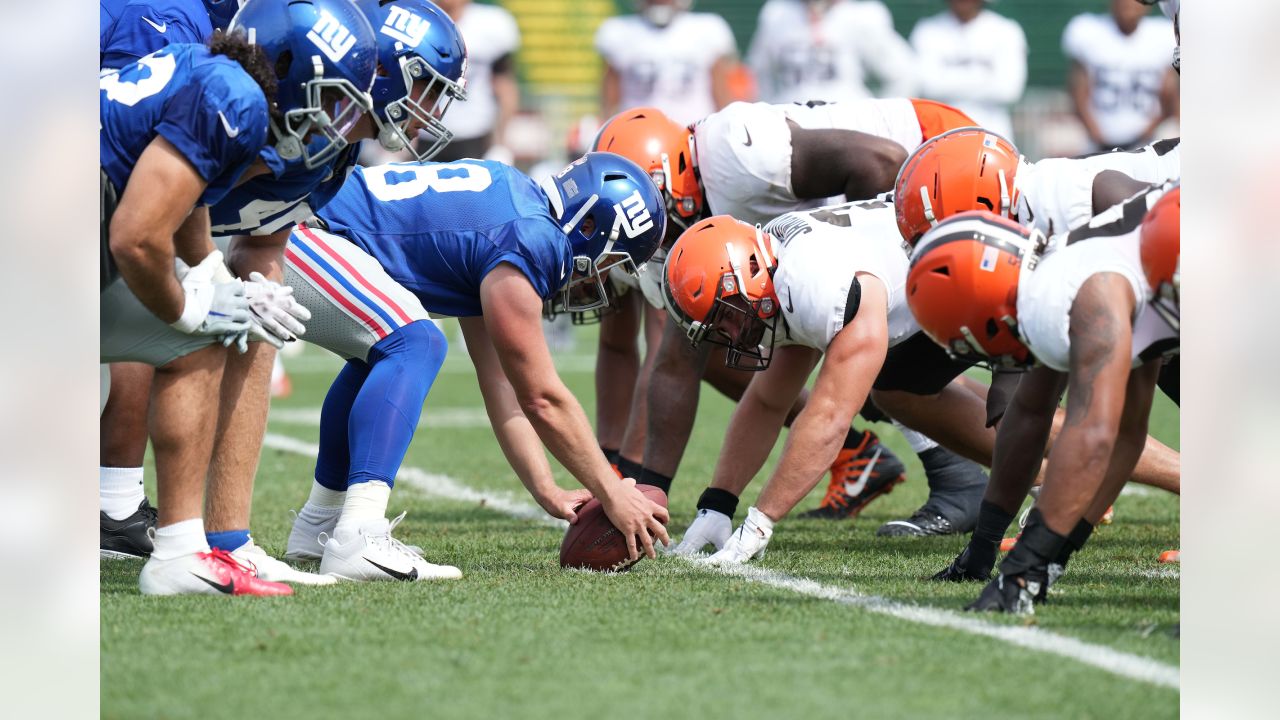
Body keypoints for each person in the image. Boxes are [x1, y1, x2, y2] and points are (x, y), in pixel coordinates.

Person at [99, 0, 469, 586]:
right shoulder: (235, 96)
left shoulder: (294, 124)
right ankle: (143, 522)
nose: (431, 110)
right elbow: (140, 232)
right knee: (192, 334)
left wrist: (216, 283)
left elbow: (201, 200)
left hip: (101, 225)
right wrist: (192, 301)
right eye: (424, 87)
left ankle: (198, 547)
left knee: (206, 337)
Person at [596, 100, 993, 536]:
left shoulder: (732, 153)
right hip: (888, 201)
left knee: (874, 368)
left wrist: (871, 262)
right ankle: (991, 466)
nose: (655, 233)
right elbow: (674, 363)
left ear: (669, 176)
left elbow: (880, 162)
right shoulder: (680, 223)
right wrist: (646, 494)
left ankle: (961, 477)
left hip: (942, 163)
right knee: (714, 340)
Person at [282, 152, 671, 580]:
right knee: (414, 342)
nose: (598, 278)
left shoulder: (514, 207)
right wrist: (612, 490)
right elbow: (542, 397)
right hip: (296, 229)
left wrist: (545, 488)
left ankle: (320, 522)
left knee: (377, 354)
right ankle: (358, 533)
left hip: (300, 220)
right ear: (590, 226)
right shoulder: (532, 239)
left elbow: (503, 386)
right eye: (609, 262)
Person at [909, 187, 1179, 613]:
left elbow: (1094, 436)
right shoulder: (1065, 273)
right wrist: (993, 548)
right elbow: (1038, 417)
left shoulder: (1079, 295)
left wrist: (1028, 564)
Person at [595, 0, 736, 127]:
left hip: (694, 138)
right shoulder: (618, 31)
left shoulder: (709, 29)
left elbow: (722, 93)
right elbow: (609, 98)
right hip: (638, 137)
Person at [747, 0, 914, 104]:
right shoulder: (776, 14)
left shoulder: (861, 15)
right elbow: (758, 74)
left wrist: (879, 123)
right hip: (791, 128)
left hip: (846, 129)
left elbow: (902, 74)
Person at [1063, 0, 1177, 151]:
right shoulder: (1089, 31)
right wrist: (1095, 133)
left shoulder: (1162, 35)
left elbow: (1169, 95)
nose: (1128, 4)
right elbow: (1077, 89)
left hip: (1149, 140)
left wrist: (1147, 132)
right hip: (1096, 139)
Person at [909, 0, 1027, 141]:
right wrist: (984, 77)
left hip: (994, 138)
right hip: (940, 138)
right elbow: (927, 86)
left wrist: (948, 78)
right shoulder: (927, 30)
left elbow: (1009, 90)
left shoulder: (1006, 30)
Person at [432, 0, 520, 162]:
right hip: (422, 132)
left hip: (476, 134)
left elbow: (505, 87)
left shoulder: (491, 23)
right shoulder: (415, 19)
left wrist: (500, 143)